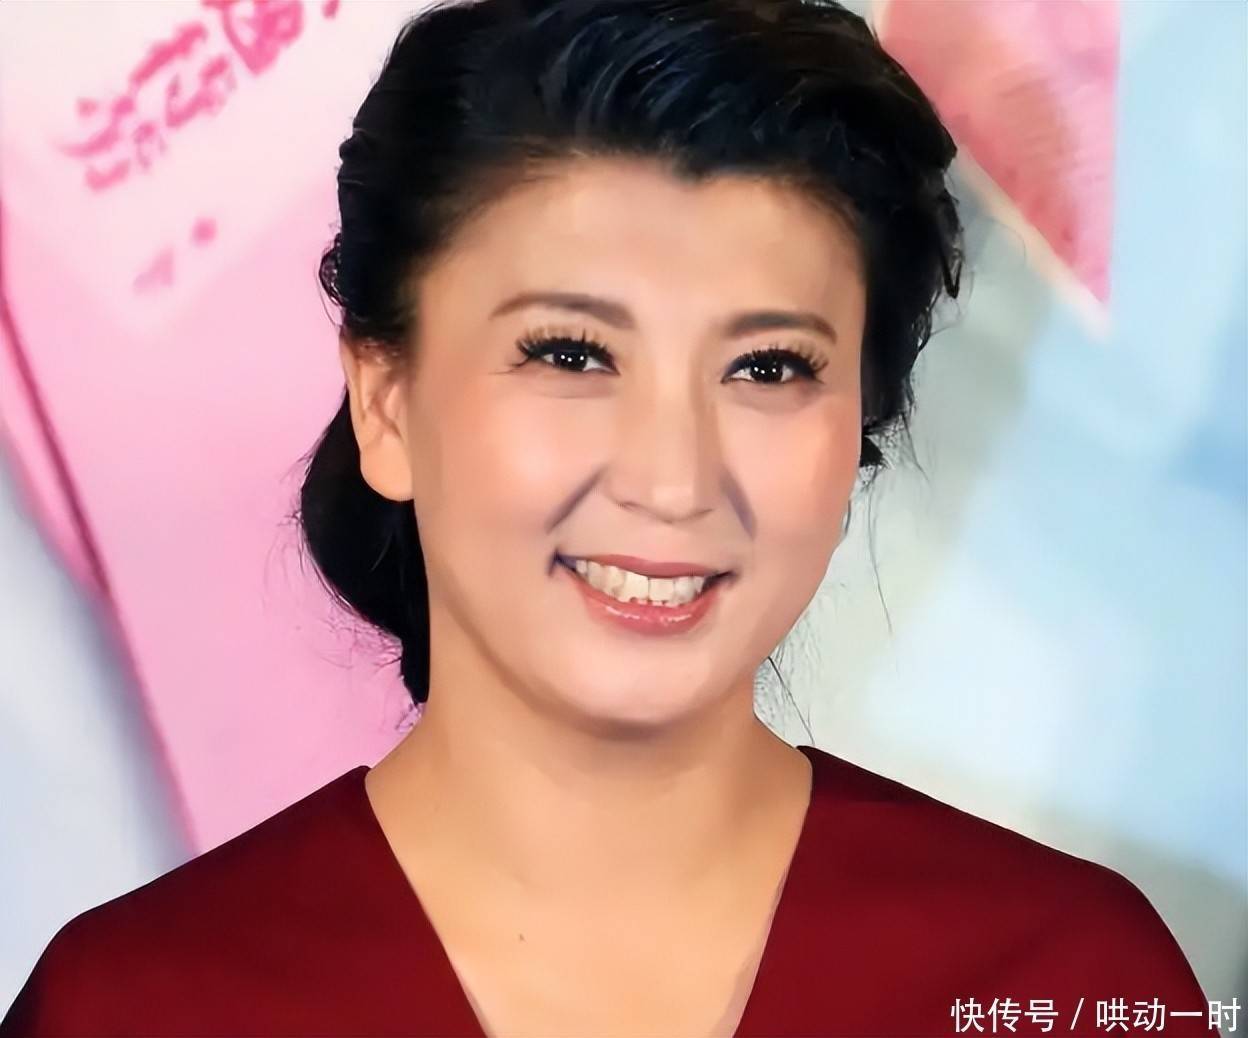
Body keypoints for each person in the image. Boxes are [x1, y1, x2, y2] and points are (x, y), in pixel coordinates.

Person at [2, 1, 1211, 1035]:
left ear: (860, 431)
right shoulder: (137, 1008)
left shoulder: (1068, 978)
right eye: (571, 353)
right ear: (386, 401)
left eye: (769, 368)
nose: (673, 479)